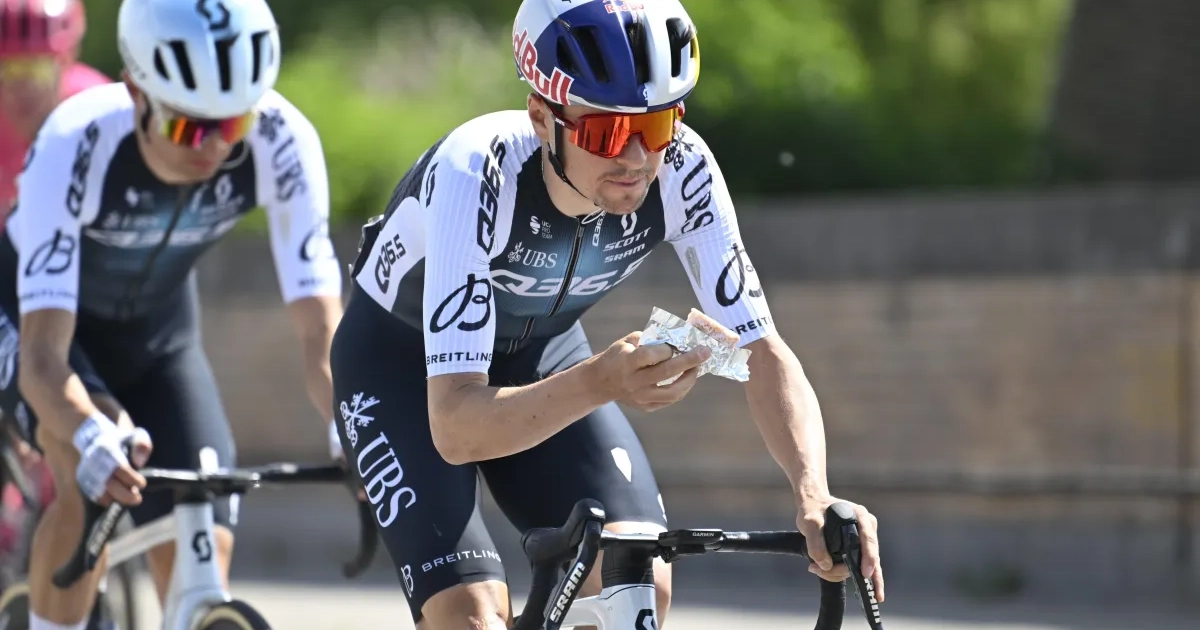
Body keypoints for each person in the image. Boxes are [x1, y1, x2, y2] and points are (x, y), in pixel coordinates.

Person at [330, 0, 885, 628]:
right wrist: (602, 381)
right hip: (402, 369)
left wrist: (813, 492)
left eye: (657, 126)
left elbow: (761, 348)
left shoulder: (685, 169)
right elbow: (456, 430)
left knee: (636, 583)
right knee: (471, 615)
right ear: (542, 119)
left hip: (542, 352)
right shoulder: (477, 171)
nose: (638, 159)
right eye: (607, 133)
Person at [0, 0, 345, 628]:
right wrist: (87, 433)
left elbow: (321, 332)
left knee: (204, 515)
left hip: (159, 337)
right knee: (82, 482)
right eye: (189, 128)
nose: (215, 146)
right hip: (40, 327)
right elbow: (44, 360)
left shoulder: (281, 137)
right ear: (136, 92)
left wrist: (354, 421)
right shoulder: (74, 140)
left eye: (233, 123)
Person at [0, 0, 111, 591]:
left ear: (66, 60)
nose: (19, 89)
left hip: (72, 296)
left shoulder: (95, 110)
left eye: (35, 70)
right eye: (5, 72)